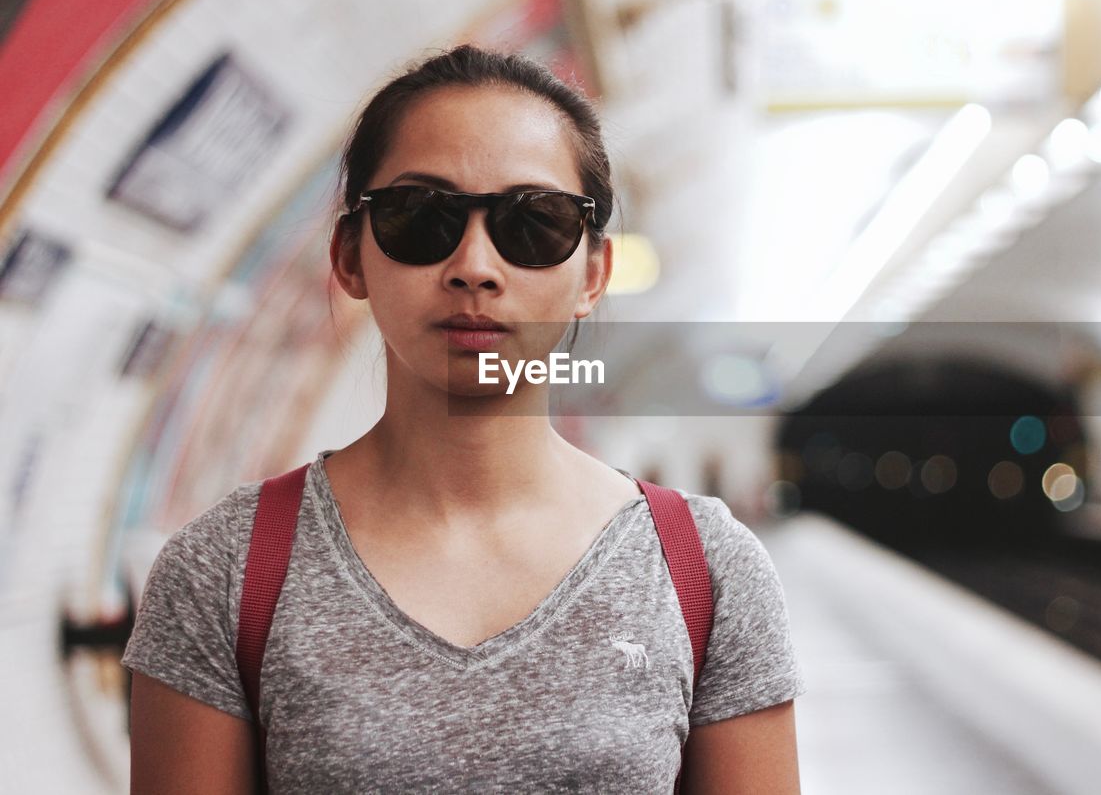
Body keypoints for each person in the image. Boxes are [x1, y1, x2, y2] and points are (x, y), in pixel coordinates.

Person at [122, 44, 806, 793]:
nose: (475, 265)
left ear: (593, 274)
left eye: (534, 223)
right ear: (349, 256)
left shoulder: (705, 573)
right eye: (422, 217)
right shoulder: (225, 572)